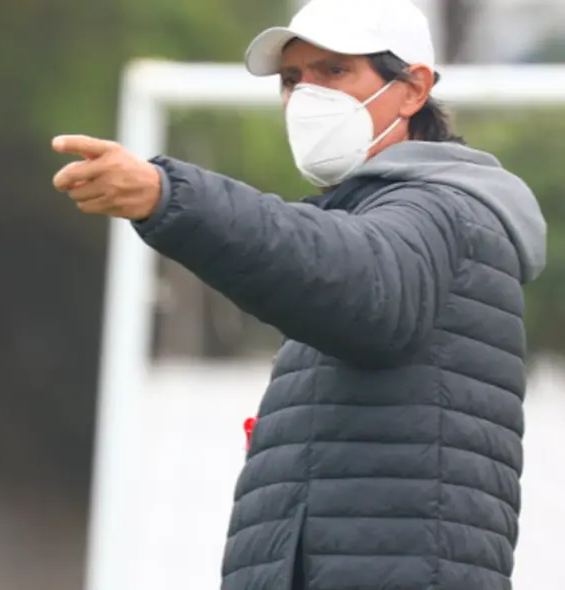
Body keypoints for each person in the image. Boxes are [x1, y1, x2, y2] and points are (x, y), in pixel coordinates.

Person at [50, 0, 546, 587]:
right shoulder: (382, 215)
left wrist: (169, 195)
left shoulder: (443, 210)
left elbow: (355, 280)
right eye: (292, 80)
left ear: (413, 89)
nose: (306, 95)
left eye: (334, 71)